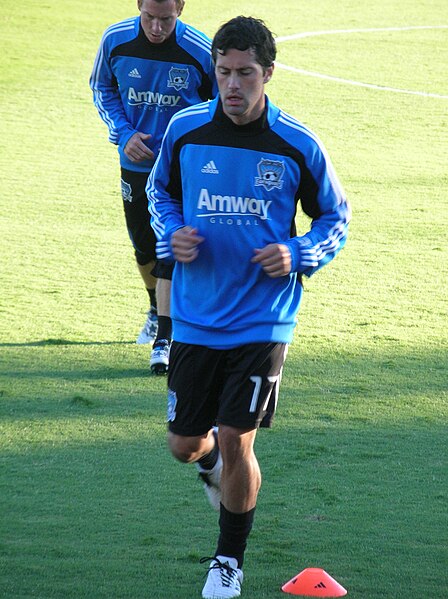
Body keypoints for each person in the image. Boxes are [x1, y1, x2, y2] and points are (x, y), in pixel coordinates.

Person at [147, 15, 351, 598]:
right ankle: (211, 464)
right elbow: (161, 192)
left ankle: (227, 561)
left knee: (239, 436)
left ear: (268, 74)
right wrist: (173, 231)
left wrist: (300, 251)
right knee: (186, 446)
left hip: (264, 316)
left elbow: (336, 216)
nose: (232, 85)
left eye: (244, 74)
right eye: (223, 72)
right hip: (195, 312)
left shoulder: (297, 143)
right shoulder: (185, 130)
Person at [89, 0, 216, 373]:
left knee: (170, 245)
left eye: (166, 19)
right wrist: (124, 133)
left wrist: (190, 148)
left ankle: (167, 335)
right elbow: (102, 87)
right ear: (138, 5)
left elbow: (219, 103)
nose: (157, 27)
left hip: (181, 169)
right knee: (143, 244)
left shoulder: (199, 50)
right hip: (136, 163)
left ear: (181, 9)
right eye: (150, 17)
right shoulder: (115, 40)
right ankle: (154, 306)